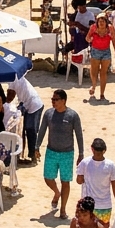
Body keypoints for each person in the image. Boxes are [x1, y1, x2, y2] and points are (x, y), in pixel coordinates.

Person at [39, 89, 84, 218]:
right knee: (48, 178)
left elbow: (79, 135)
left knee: (66, 181)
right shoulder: (48, 114)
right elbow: (42, 130)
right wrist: (36, 147)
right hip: (51, 151)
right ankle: (56, 193)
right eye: (52, 99)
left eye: (56, 99)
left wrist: (81, 153)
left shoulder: (72, 116)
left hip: (67, 153)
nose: (53, 102)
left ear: (63, 101)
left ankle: (63, 209)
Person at [75, 138, 115, 227]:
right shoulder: (109, 165)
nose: (98, 156)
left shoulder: (85, 163)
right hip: (96, 207)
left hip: (97, 206)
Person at [7, 74, 44, 162]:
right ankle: (28, 154)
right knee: (26, 130)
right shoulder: (15, 77)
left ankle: (33, 155)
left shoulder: (12, 78)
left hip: (34, 105)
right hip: (29, 104)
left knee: (30, 130)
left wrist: (5, 104)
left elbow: (10, 95)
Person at [86, 13, 115, 101]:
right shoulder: (93, 28)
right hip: (95, 50)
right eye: (100, 21)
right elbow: (87, 37)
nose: (101, 23)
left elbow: (114, 40)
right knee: (94, 70)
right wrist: (90, 39)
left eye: (103, 21)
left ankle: (102, 93)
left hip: (106, 51)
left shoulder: (110, 28)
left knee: (103, 72)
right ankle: (94, 86)